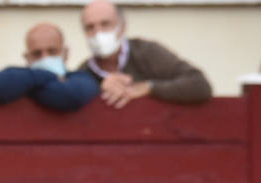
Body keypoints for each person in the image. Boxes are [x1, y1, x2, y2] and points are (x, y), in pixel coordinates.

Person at [77, 0, 211, 107]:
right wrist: (99, 89)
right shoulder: (84, 71)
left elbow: (199, 85)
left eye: (105, 24)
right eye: (90, 27)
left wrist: (148, 88)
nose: (97, 32)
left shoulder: (146, 52)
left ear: (122, 26)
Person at [0, 22, 99, 111]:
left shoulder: (82, 79)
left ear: (65, 53)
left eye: (52, 52)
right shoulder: (24, 77)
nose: (45, 58)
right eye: (37, 53)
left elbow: (68, 97)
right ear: (27, 58)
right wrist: (47, 77)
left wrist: (27, 86)